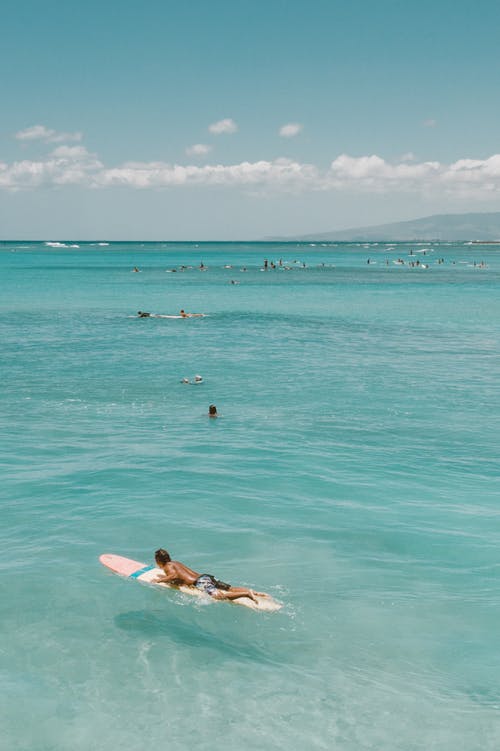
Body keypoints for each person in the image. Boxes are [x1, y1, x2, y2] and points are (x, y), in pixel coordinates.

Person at [153, 549, 261, 602]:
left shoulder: (167, 567)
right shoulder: (175, 563)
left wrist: (159, 581)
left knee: (218, 596)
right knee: (230, 588)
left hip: (200, 582)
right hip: (205, 577)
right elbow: (179, 575)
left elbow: (174, 575)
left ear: (158, 560)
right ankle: (255, 592)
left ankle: (247, 594)